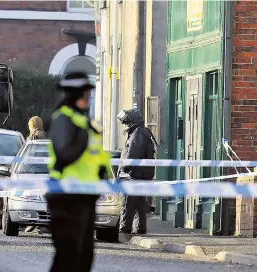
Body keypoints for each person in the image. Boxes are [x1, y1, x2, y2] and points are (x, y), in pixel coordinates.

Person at [46, 71, 112, 272]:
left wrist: (103, 172)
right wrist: (84, 136)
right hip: (66, 198)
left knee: (84, 256)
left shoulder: (83, 122)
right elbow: (66, 153)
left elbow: (95, 157)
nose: (89, 98)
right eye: (85, 94)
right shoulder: (63, 120)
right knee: (68, 257)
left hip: (85, 198)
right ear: (75, 95)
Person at [116, 108, 158, 241]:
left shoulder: (137, 134)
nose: (126, 125)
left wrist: (123, 169)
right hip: (142, 176)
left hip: (135, 176)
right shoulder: (143, 132)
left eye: (127, 123)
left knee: (128, 204)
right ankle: (140, 228)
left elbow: (132, 155)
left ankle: (124, 231)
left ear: (132, 122)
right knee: (140, 204)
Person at [24, 116, 48, 234]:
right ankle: (44, 225)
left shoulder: (31, 137)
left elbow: (27, 156)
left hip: (33, 172)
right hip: (48, 171)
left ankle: (33, 222)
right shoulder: (48, 136)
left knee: (34, 198)